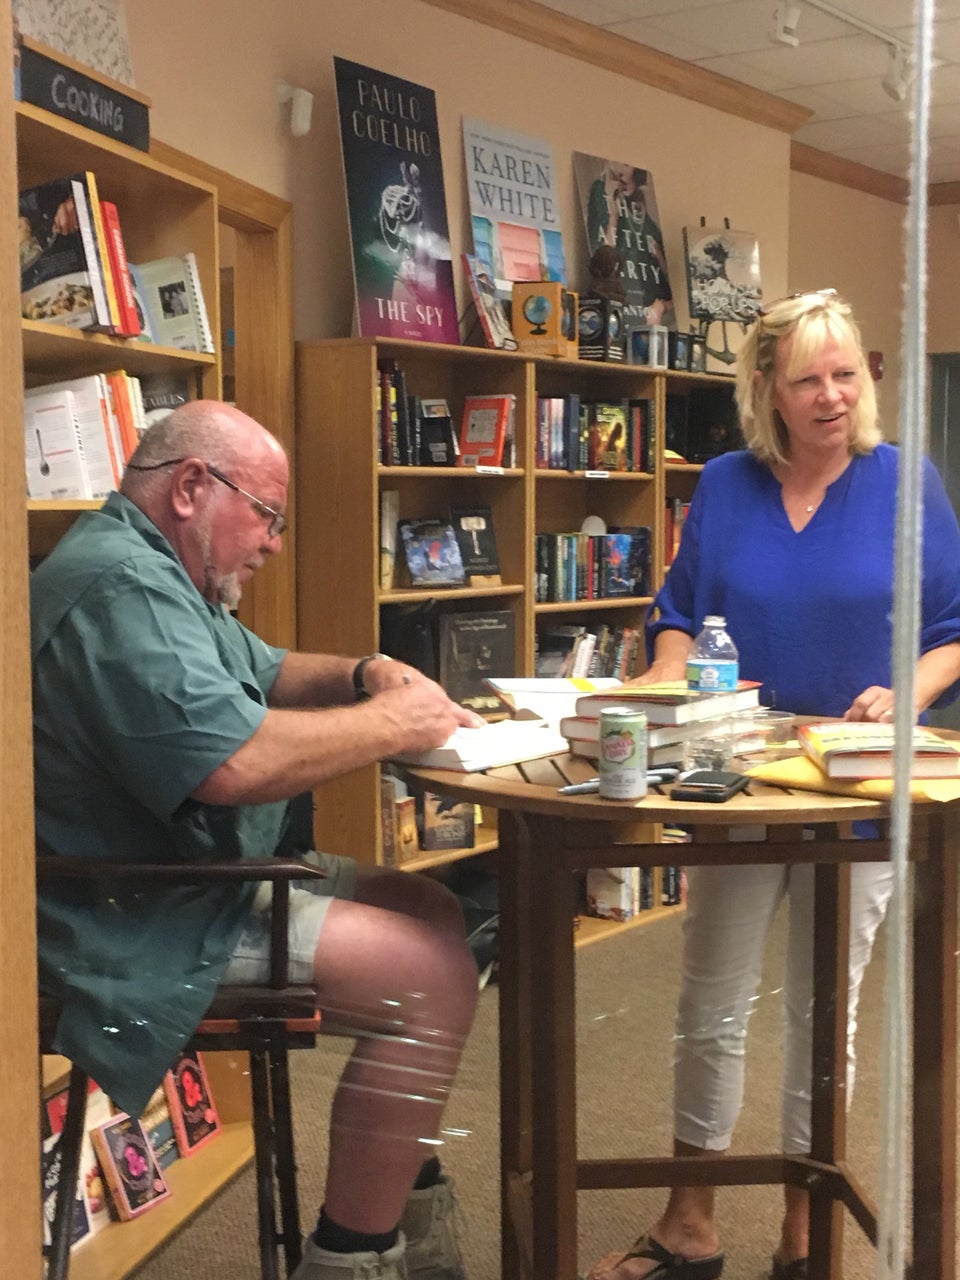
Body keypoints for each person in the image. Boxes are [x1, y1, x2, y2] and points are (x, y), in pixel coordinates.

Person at [32, 400, 487, 1280]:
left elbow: (264, 666)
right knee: (429, 978)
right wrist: (393, 723)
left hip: (176, 877)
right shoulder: (121, 587)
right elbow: (233, 764)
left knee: (432, 909)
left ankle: (400, 1201)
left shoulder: (152, 566)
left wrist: (365, 673)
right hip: (120, 915)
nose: (274, 542)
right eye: (268, 515)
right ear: (191, 488)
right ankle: (352, 1259)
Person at [587, 290, 960, 1280]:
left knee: (823, 1010)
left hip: (853, 787)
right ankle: (690, 1222)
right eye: (808, 379)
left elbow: (953, 629)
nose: (832, 395)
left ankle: (805, 1230)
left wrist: (909, 692)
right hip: (736, 778)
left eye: (846, 374)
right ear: (769, 390)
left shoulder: (906, 482)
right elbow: (679, 611)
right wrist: (665, 673)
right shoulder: (724, 484)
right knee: (710, 1000)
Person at [585, 161, 674, 328]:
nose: (619, 171)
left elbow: (671, 281)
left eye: (626, 165)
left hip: (646, 306)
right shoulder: (600, 193)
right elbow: (604, 256)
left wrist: (661, 307)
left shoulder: (643, 216)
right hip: (616, 307)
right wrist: (613, 214)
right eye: (616, 165)